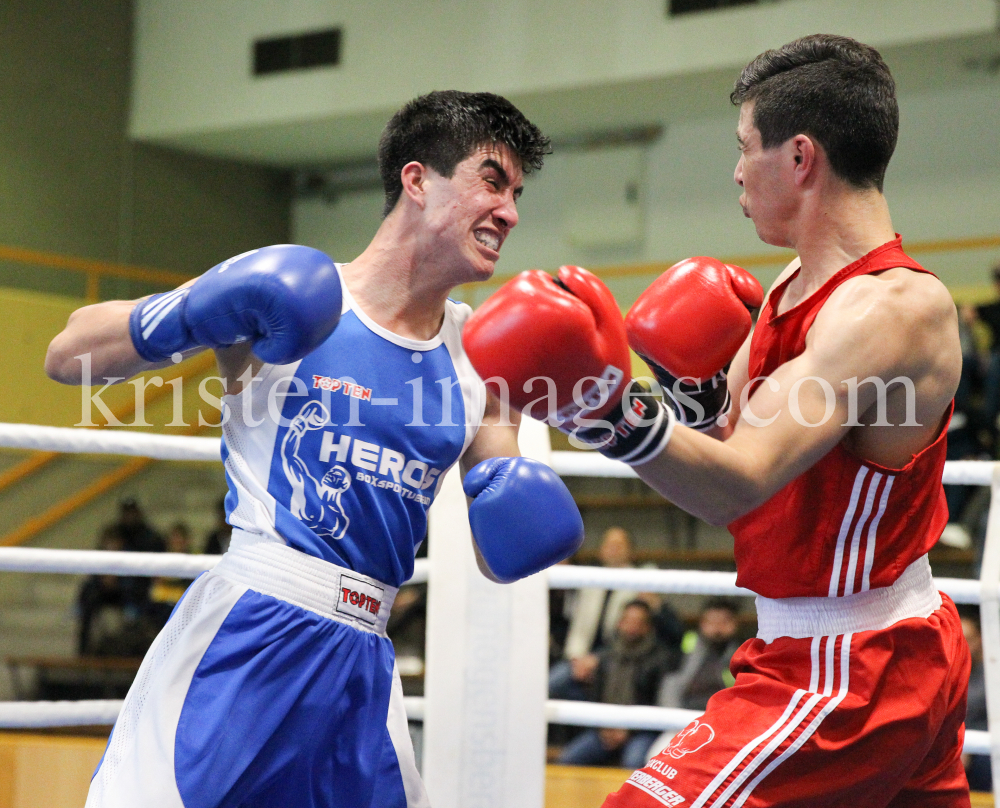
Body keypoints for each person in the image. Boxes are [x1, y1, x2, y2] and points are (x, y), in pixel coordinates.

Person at [465, 35, 971, 806]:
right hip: (824, 649)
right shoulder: (785, 292)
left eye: (744, 149)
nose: (736, 172)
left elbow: (740, 484)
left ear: (800, 158)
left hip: (855, 662)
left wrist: (602, 408)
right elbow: (718, 462)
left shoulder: (894, 308)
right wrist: (683, 404)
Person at [46, 91, 583, 808]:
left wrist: (525, 495)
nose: (510, 211)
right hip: (250, 635)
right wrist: (196, 308)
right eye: (492, 180)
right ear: (418, 180)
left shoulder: (479, 359)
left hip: (363, 660)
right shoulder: (294, 295)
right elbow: (68, 356)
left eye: (517, 193)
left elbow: (501, 549)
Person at [558, 600, 676, 770]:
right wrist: (603, 727)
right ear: (619, 623)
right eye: (627, 620)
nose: (631, 626)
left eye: (638, 622)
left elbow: (659, 702)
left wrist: (628, 730)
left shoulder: (661, 660)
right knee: (567, 760)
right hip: (603, 728)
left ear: (648, 626)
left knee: (635, 764)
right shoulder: (604, 656)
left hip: (641, 731)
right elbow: (594, 696)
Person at [549, 526, 642, 701]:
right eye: (608, 544)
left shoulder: (641, 584)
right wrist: (577, 659)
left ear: (630, 551)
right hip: (578, 657)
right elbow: (572, 623)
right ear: (601, 550)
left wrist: (597, 659)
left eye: (619, 545)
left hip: (617, 659)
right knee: (551, 688)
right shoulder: (588, 580)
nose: (613, 549)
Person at [644, 598, 742, 762]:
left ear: (735, 624)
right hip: (683, 722)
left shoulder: (742, 653)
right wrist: (674, 719)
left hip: (722, 727)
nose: (717, 628)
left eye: (724, 622)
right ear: (702, 623)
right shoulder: (686, 645)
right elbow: (670, 683)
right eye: (712, 622)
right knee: (654, 758)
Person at [959, 607, 990, 792]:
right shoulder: (943, 669)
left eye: (968, 640)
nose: (963, 645)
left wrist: (967, 746)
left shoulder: (993, 673)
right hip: (950, 740)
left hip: (979, 749)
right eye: (958, 640)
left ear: (979, 640)